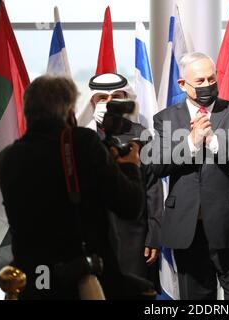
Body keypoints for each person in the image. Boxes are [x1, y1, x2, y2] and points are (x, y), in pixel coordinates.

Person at [0, 75, 144, 299]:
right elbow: (130, 206)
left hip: (32, 280)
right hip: (81, 281)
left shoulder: (6, 158)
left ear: (28, 111)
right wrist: (131, 166)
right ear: (70, 111)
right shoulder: (83, 143)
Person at [149, 52, 229, 300]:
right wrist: (191, 142)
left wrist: (212, 141)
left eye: (211, 78)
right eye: (199, 81)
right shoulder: (166, 119)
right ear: (182, 84)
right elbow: (156, 165)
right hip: (188, 229)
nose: (207, 85)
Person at [80, 73, 163, 292]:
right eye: (102, 98)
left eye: (116, 96)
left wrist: (154, 235)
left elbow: (153, 188)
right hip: (91, 236)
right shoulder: (81, 138)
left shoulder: (141, 136)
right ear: (92, 101)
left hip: (132, 237)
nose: (109, 103)